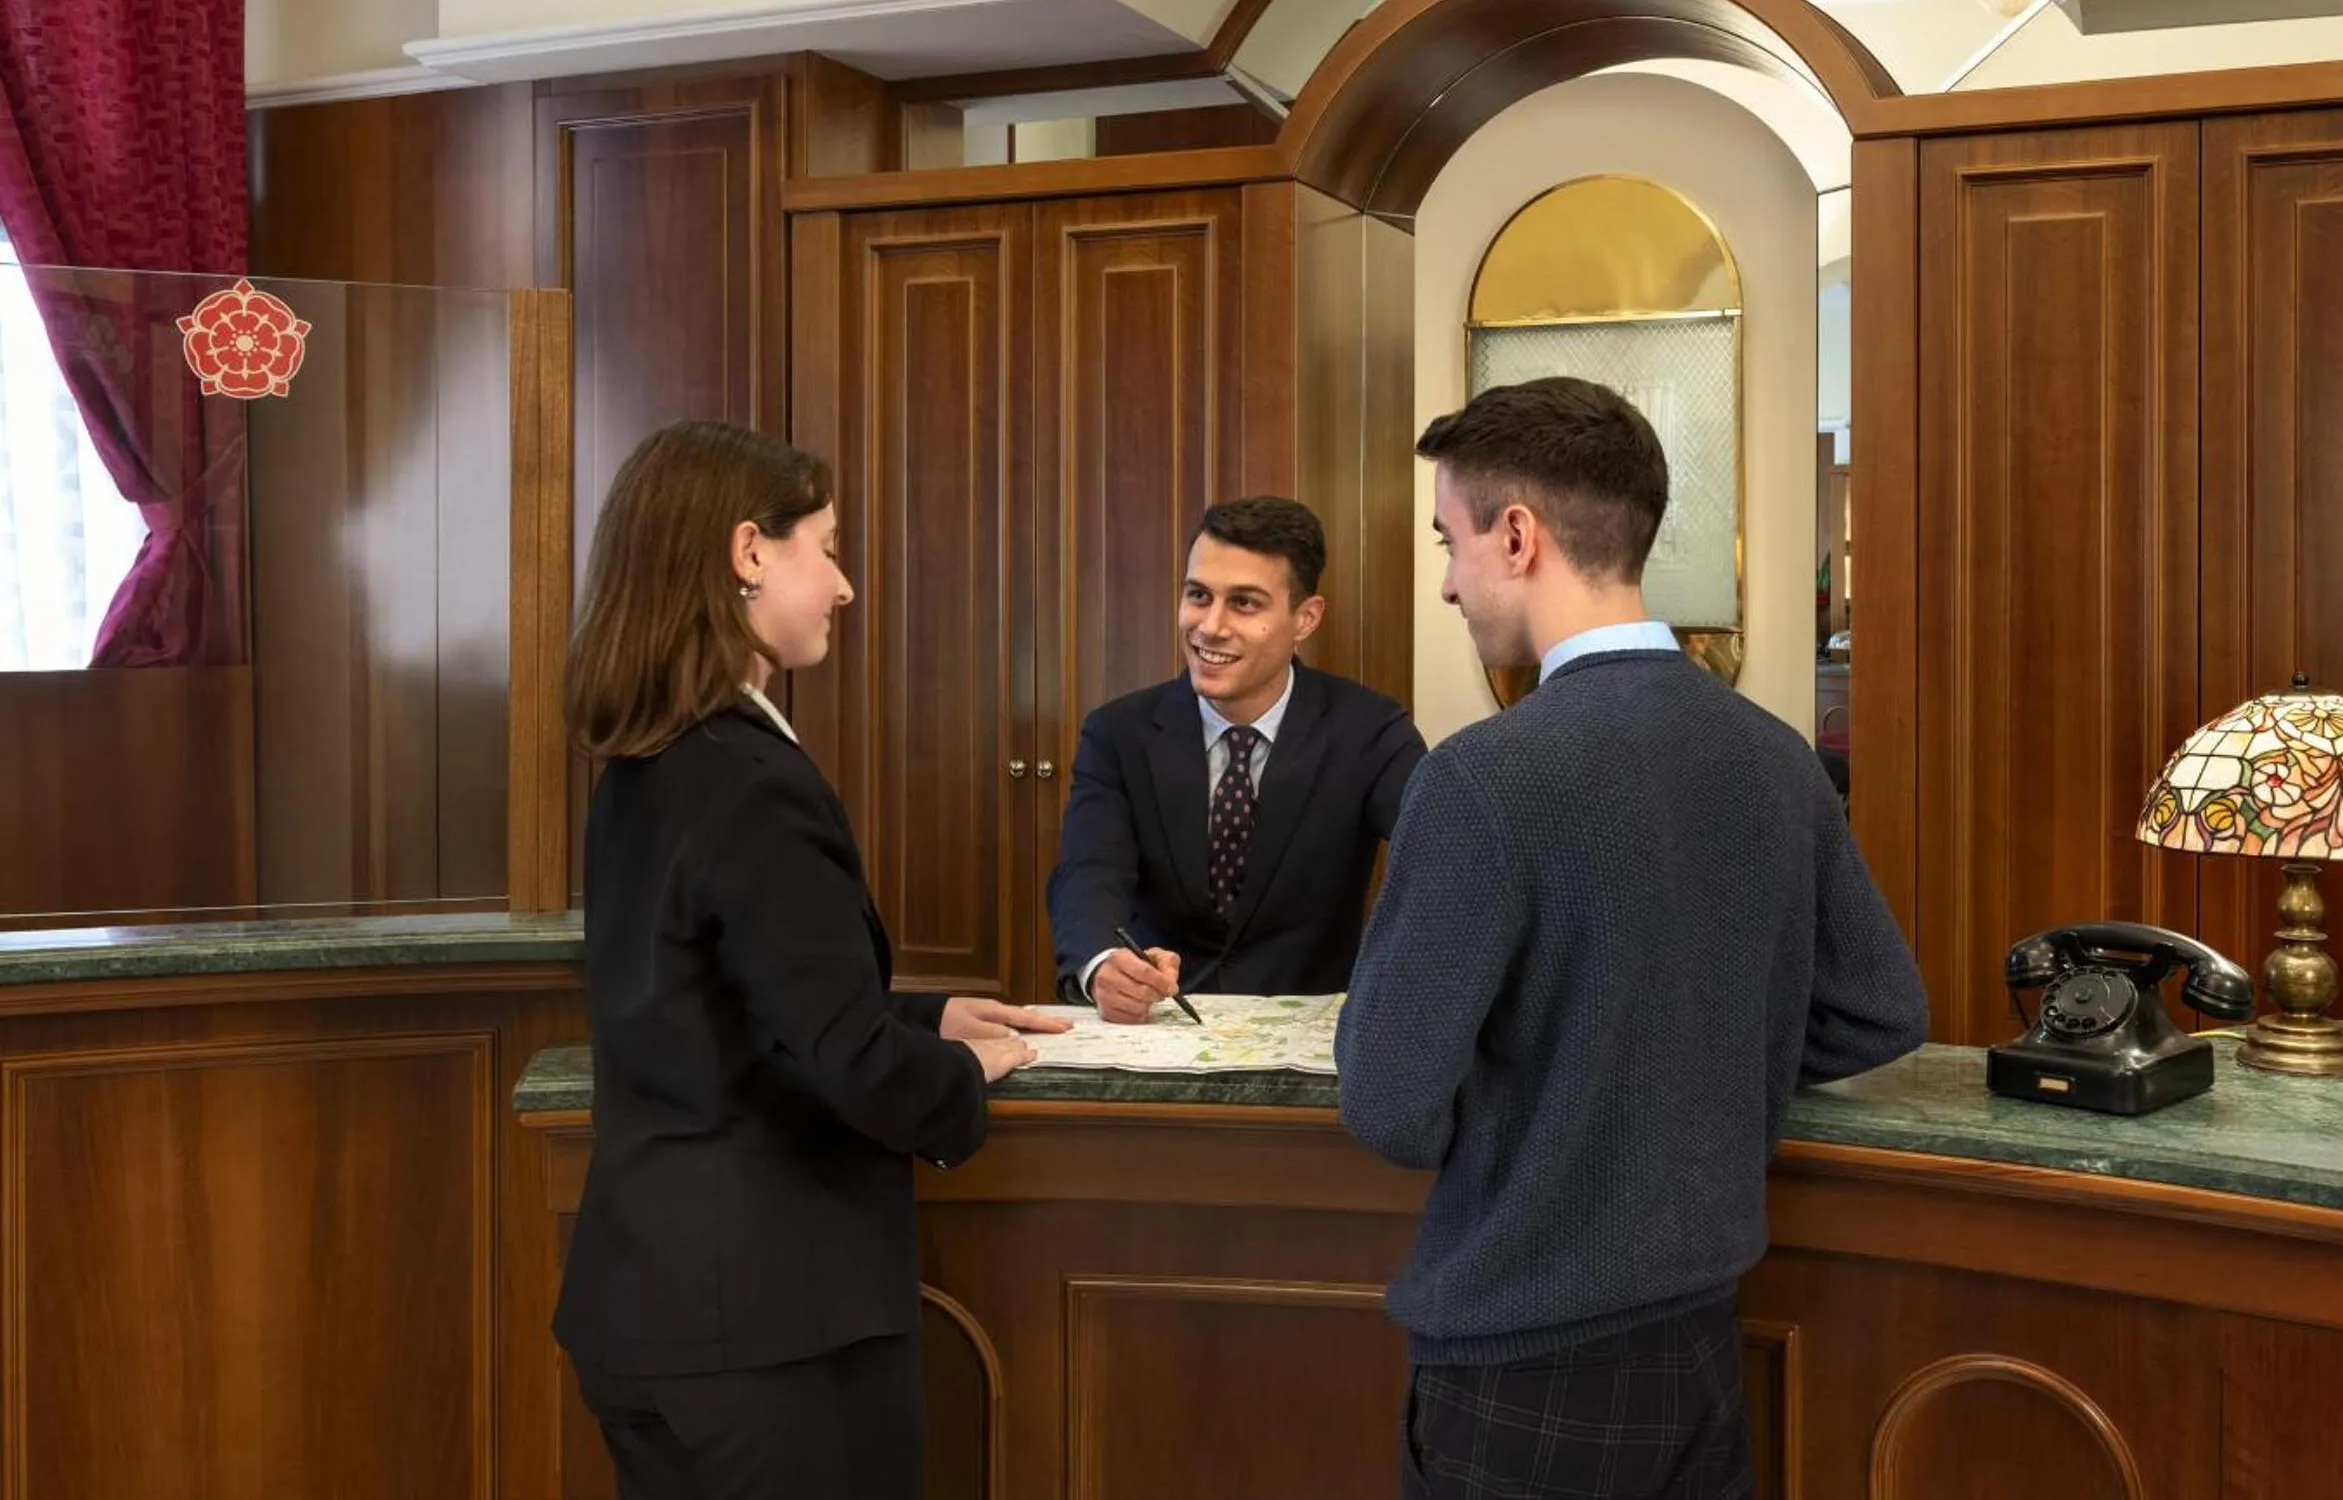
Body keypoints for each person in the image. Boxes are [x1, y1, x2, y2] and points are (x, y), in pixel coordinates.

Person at [1337, 378, 1928, 1500]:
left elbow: (1386, 1098)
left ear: (1516, 535)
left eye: (1448, 540)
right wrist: (1692, 1051)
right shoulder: (1773, 755)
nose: (1447, 579)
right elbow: (1879, 1009)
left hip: (1518, 1358)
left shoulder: (1480, 778)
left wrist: (1561, 1085)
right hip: (1700, 1341)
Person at [551, 419, 1068, 1500]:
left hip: (648, 1306)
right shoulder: (750, 776)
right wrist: (960, 1075)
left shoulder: (647, 762)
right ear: (749, 551)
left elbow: (727, 1005)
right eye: (824, 547)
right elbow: (845, 1063)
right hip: (768, 1329)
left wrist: (924, 1018)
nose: (841, 585)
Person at [1048, 496, 1427, 1020]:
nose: (1210, 626)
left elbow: (1440, 856)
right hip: (1161, 1024)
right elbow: (1088, 872)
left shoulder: (1370, 731)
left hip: (1310, 1031)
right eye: (1198, 595)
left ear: (1305, 618)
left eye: (1244, 603)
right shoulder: (1118, 733)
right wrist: (1101, 962)